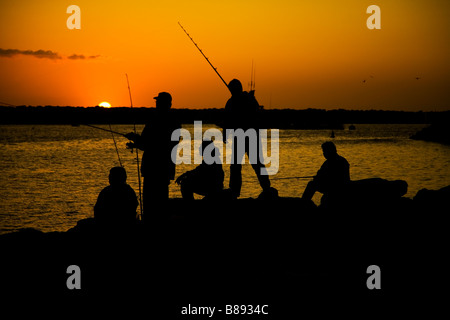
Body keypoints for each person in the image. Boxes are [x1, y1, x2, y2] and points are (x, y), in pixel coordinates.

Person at [125, 92, 181, 220]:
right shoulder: (175, 122)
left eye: (158, 102)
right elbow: (164, 144)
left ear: (165, 104)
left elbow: (148, 144)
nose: (156, 104)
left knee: (150, 203)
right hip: (166, 167)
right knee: (162, 201)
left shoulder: (154, 121)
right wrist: (136, 144)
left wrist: (135, 139)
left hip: (152, 168)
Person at [222, 79, 271, 198]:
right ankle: (237, 190)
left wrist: (225, 134)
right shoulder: (248, 99)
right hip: (246, 137)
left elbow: (228, 121)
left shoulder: (236, 101)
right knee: (240, 165)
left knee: (247, 164)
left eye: (232, 89)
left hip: (247, 137)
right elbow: (228, 120)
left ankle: (265, 188)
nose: (231, 91)